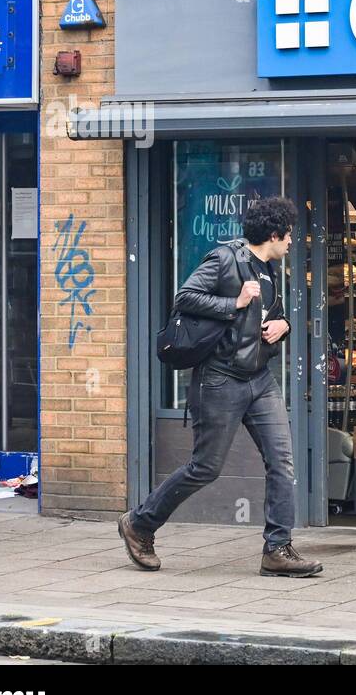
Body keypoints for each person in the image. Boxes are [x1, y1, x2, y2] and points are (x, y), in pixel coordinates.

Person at [118, 197, 322, 578]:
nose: (293, 241)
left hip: (259, 379)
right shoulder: (225, 259)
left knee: (282, 462)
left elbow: (269, 316)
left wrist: (284, 327)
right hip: (220, 379)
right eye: (290, 235)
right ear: (274, 234)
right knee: (205, 467)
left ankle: (277, 548)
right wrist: (235, 301)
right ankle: (140, 523)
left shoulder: (272, 268)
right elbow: (185, 298)